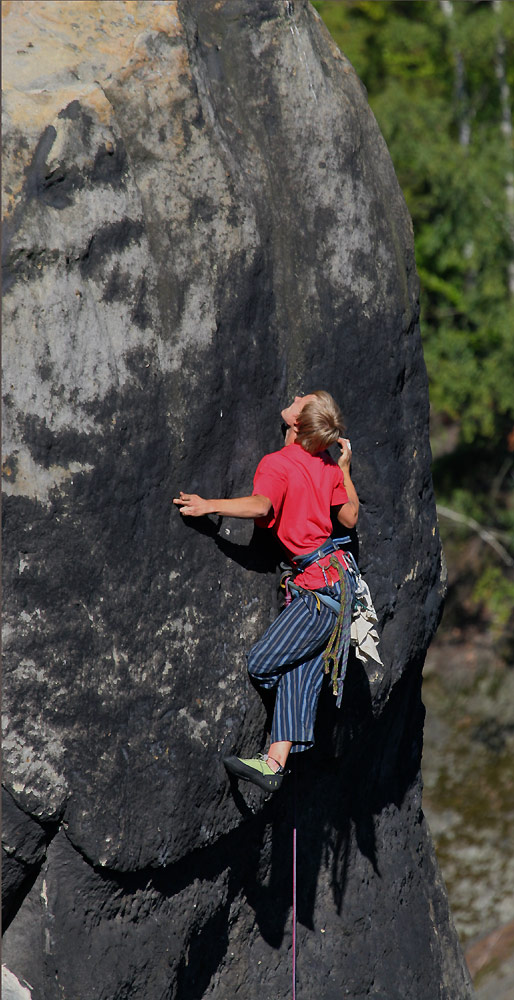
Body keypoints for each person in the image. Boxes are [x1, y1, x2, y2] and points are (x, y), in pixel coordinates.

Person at [173, 391, 359, 792]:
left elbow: (261, 506)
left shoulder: (278, 464)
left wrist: (209, 506)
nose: (293, 397)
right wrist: (342, 468)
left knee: (262, 662)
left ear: (296, 423)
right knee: (299, 662)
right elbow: (350, 516)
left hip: (319, 593)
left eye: (300, 400)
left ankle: (278, 755)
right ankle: (274, 762)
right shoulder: (323, 464)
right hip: (331, 585)